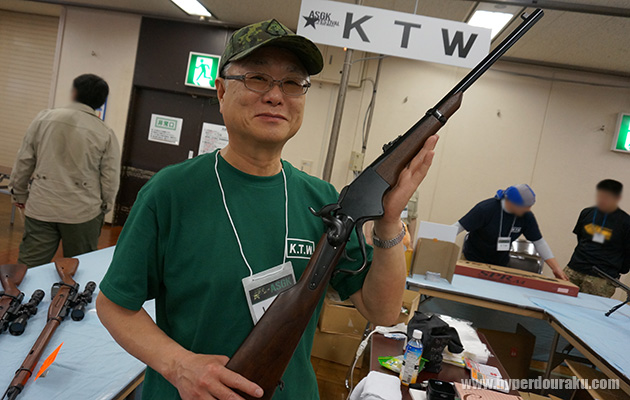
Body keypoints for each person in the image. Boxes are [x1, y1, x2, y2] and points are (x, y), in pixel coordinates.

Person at [96, 19, 439, 400]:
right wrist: (179, 365)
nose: (276, 96)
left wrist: (389, 221)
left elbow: (382, 311)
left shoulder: (323, 200)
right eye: (257, 78)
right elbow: (114, 305)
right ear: (221, 91)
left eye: (292, 83)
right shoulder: (170, 192)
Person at [10, 74, 120, 268]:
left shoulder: (43, 119)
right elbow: (109, 177)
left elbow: (24, 160)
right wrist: (105, 206)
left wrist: (19, 193)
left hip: (42, 206)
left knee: (29, 267)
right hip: (83, 211)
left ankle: (23, 289)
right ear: (101, 102)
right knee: (79, 267)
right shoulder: (105, 133)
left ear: (74, 93)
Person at [454, 184, 567, 280]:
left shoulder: (526, 216)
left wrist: (556, 268)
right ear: (510, 202)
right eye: (525, 206)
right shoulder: (485, 209)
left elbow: (539, 242)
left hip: (500, 264)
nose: (528, 210)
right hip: (472, 259)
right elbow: (456, 228)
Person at [564, 179, 630, 297]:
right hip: (575, 268)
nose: (603, 200)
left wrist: (618, 270)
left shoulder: (626, 222)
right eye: (600, 196)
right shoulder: (587, 213)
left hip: (602, 277)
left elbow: (628, 252)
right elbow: (580, 238)